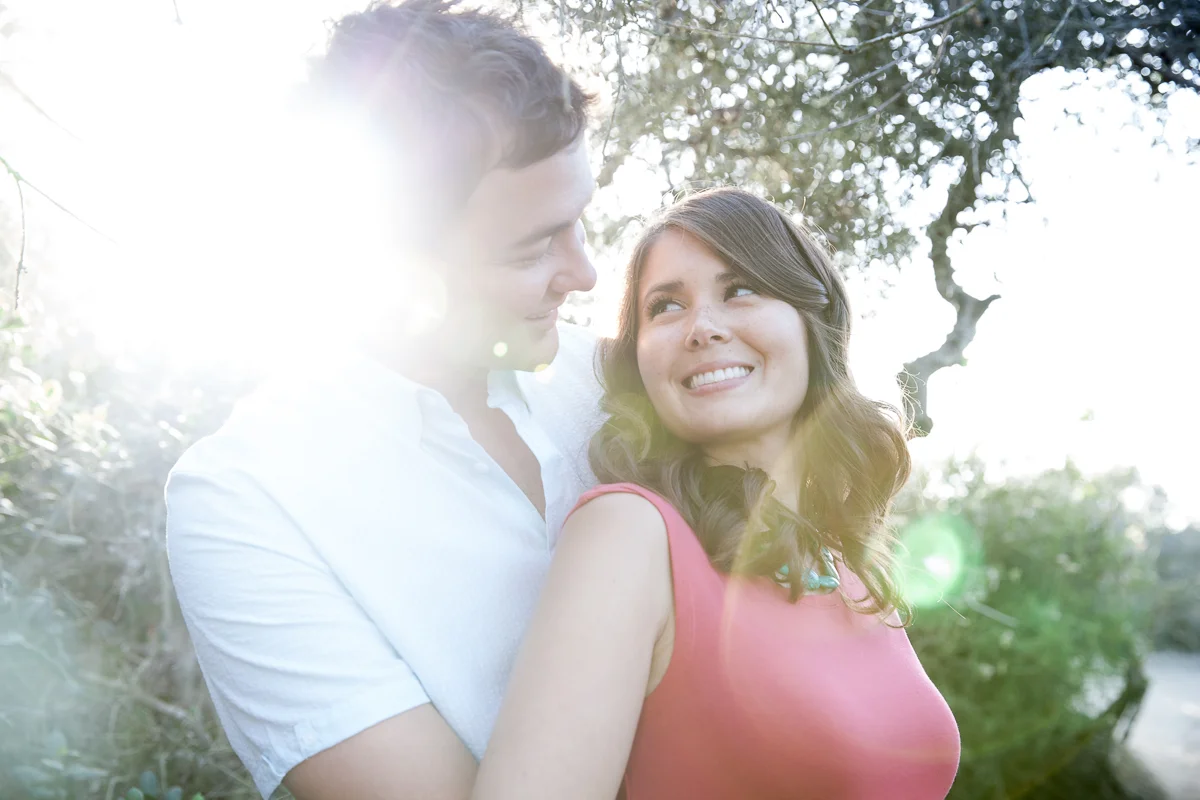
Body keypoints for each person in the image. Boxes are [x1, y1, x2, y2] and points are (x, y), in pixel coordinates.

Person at [164, 2, 604, 798]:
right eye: (536, 245)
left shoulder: (609, 380)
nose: (586, 274)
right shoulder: (246, 501)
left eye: (579, 223)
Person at [463, 187, 961, 799]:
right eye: (666, 307)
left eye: (740, 289)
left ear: (812, 317)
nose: (702, 328)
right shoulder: (631, 535)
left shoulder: (852, 571)